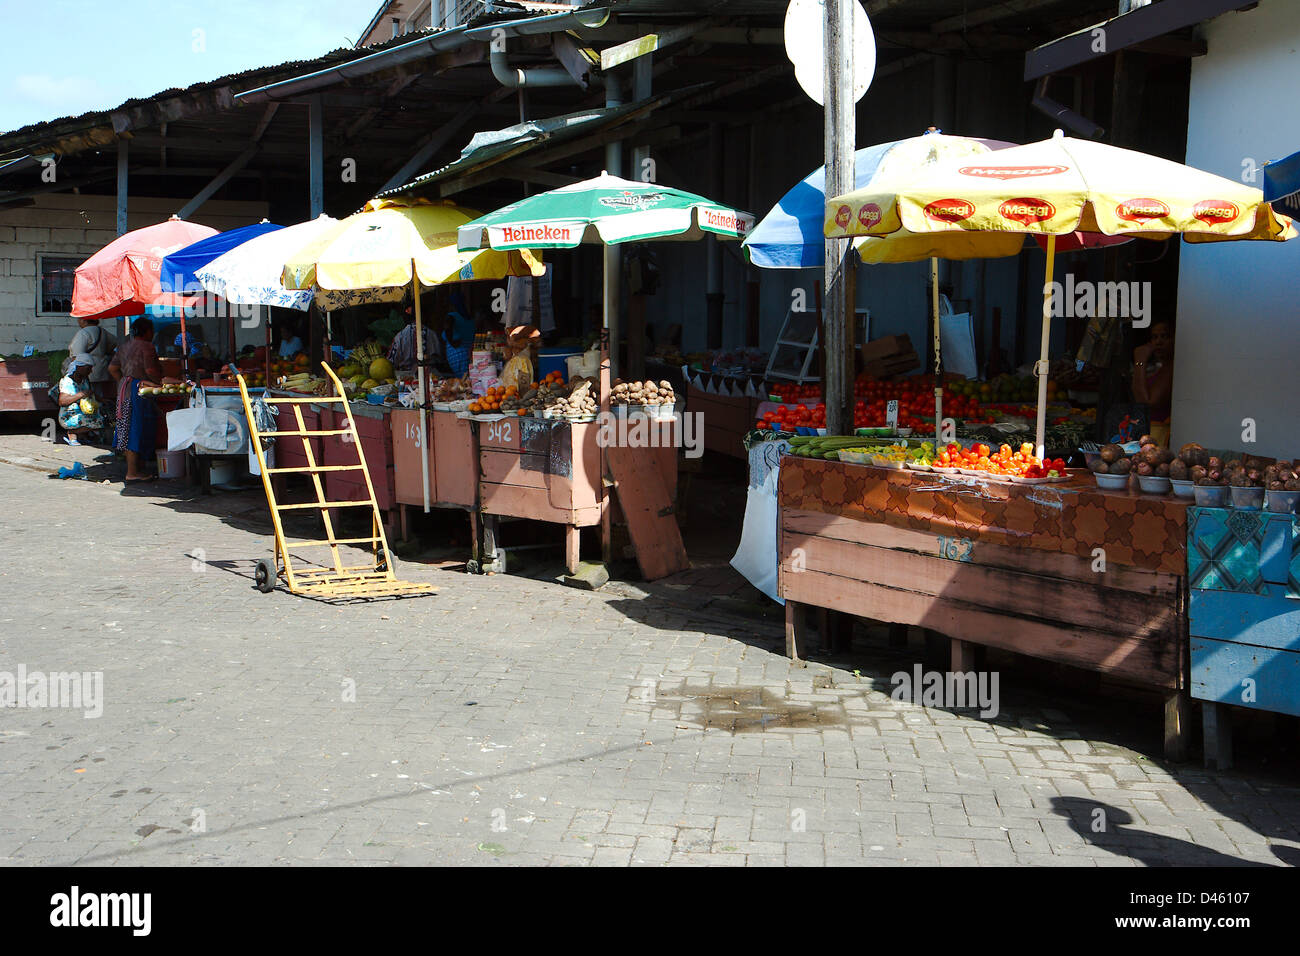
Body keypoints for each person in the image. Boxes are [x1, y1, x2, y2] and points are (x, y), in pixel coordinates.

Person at [109, 317, 166, 483]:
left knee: (128, 427)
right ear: (147, 331)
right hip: (139, 390)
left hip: (125, 389)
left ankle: (137, 469)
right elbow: (150, 370)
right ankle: (132, 472)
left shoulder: (124, 346)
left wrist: (123, 381)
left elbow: (112, 368)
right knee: (135, 429)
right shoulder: (147, 346)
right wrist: (160, 382)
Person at [1131, 320, 1174, 446]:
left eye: (1164, 336)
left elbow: (1147, 403)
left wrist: (1140, 361)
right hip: (1150, 433)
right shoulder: (1162, 367)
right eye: (1154, 337)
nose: (1158, 342)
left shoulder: (1171, 367)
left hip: (1160, 435)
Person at [387, 303, 450, 376]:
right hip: (430, 377)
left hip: (406, 377)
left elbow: (390, 362)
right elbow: (440, 359)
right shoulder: (432, 335)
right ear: (423, 316)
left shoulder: (399, 337)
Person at [67, 317, 116, 410]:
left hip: (87, 371)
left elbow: (77, 356)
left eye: (79, 319)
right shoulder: (102, 331)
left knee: (87, 399)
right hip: (101, 369)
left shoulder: (83, 333)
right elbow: (114, 342)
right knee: (98, 397)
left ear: (83, 320)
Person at [56, 354, 105, 445]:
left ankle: (81, 435)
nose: (90, 371)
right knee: (98, 422)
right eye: (88, 368)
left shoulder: (85, 380)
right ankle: (72, 433)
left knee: (102, 417)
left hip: (82, 413)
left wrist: (103, 400)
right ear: (79, 367)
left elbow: (90, 393)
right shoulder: (68, 381)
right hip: (68, 416)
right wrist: (81, 394)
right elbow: (62, 401)